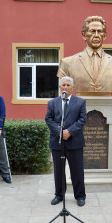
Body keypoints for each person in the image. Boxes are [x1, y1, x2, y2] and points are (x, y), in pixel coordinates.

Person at [57, 16, 112, 96]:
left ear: (104, 36)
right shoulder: (67, 63)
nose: (96, 35)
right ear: (84, 35)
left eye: (100, 31)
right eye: (92, 31)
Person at [45, 76, 87, 207]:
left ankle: (80, 195)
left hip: (74, 141)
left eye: (68, 85)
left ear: (73, 87)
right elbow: (48, 119)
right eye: (63, 85)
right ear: (59, 87)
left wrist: (69, 131)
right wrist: (59, 132)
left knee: (77, 170)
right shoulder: (53, 103)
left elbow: (82, 119)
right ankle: (59, 194)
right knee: (58, 170)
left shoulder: (80, 102)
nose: (65, 87)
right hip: (58, 142)